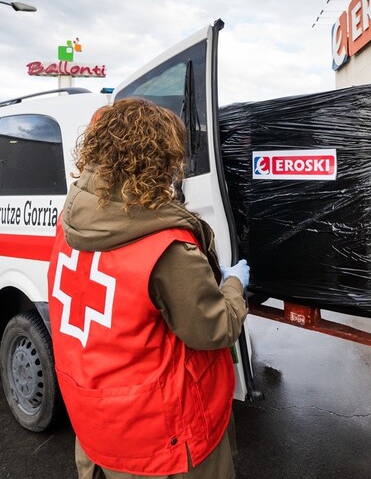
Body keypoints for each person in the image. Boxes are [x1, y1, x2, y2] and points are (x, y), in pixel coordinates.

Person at [47, 97, 250, 478]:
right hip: (164, 441)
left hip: (96, 425)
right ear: (159, 159)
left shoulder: (69, 225)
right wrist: (235, 283)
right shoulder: (166, 247)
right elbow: (214, 328)